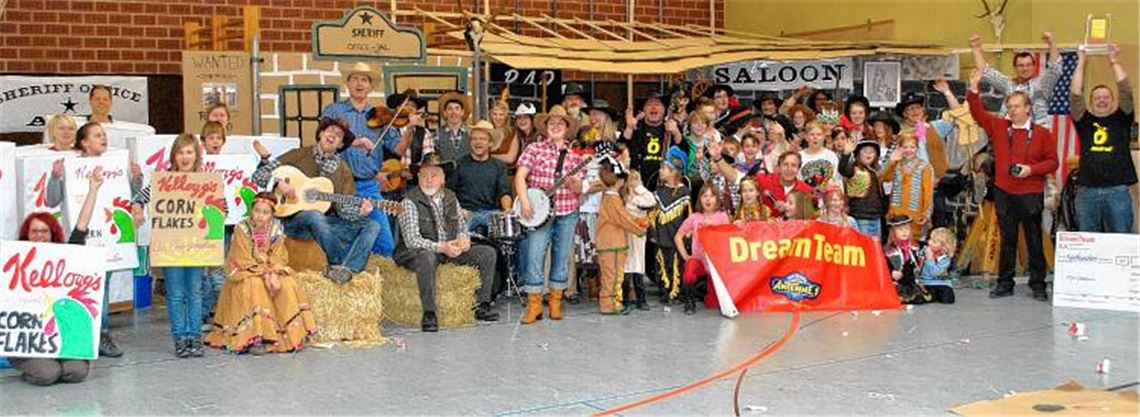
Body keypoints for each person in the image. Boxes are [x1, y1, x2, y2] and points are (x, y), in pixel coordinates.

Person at [43, 121, 140, 358]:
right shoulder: (69, 166)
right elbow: (51, 201)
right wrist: (55, 177)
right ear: (84, 142)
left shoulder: (116, 164)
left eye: (104, 134)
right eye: (97, 135)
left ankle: (101, 334)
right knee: (80, 286)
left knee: (103, 285)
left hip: (108, 238)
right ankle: (79, 333)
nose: (103, 139)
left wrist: (136, 179)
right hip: (80, 237)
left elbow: (131, 195)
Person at [251, 118, 381, 283]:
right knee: (314, 215)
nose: (333, 136)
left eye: (339, 135)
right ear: (320, 134)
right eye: (330, 131)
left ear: (341, 144)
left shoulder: (343, 170)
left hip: (325, 225)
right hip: (293, 222)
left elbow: (344, 211)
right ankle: (337, 263)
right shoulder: (297, 155)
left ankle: (348, 271)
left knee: (372, 225)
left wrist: (361, 212)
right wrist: (278, 182)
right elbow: (258, 176)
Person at [7, 167, 104, 386]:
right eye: (34, 231)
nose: (39, 236)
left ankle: (57, 360)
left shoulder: (66, 256)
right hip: (30, 342)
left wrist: (93, 191)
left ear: (53, 235)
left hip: (62, 336)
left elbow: (81, 227)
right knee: (47, 374)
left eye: (44, 231)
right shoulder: (14, 262)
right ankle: (35, 367)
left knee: (76, 372)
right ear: (26, 235)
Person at [968, 68, 1058, 302]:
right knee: (1006, 240)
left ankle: (1038, 284)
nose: (1012, 110)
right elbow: (977, 113)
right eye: (1010, 106)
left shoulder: (1042, 134)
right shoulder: (999, 127)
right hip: (1004, 192)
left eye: (1017, 106)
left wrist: (1031, 170)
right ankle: (1004, 283)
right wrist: (973, 88)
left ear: (1028, 108)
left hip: (1031, 192)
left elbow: (1053, 162)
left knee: (1034, 240)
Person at [395, 152, 500, 332]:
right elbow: (412, 240)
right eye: (424, 175)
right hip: (417, 253)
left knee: (487, 253)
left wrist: (463, 240)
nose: (429, 180)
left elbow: (460, 226)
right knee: (427, 258)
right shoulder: (409, 201)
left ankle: (482, 304)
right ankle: (429, 313)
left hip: (447, 249)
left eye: (434, 175)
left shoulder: (450, 197)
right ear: (418, 177)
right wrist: (442, 247)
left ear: (443, 179)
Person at [130, 134, 213, 358]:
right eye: (181, 152)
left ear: (196, 155)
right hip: (170, 247)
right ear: (174, 156)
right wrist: (137, 209)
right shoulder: (163, 181)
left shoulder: (206, 182)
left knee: (195, 292)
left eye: (189, 152)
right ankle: (180, 338)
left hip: (196, 246)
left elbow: (219, 208)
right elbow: (139, 198)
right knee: (176, 294)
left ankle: (195, 336)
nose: (185, 157)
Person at [205, 192, 317, 353]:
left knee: (288, 283)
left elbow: (279, 255)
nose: (260, 216)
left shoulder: (276, 230)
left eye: (265, 213)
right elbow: (241, 258)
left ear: (272, 215)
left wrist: (273, 272)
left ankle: (287, 334)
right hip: (246, 272)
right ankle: (257, 336)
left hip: (269, 268)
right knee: (255, 284)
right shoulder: (241, 228)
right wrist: (264, 273)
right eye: (257, 211)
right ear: (252, 211)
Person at [515, 105, 587, 324]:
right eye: (552, 123)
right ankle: (534, 305)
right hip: (538, 212)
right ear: (546, 127)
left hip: (567, 211)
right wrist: (525, 201)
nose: (555, 127)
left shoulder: (576, 156)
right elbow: (520, 176)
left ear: (566, 128)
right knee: (534, 256)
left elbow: (578, 189)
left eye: (560, 123)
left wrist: (575, 184)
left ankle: (556, 301)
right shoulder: (534, 149)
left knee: (562, 257)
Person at [1069, 44, 1137, 233]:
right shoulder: (1083, 121)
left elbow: (1125, 90)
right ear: (1091, 102)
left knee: (1120, 240)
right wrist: (1081, 61)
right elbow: (1075, 95)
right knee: (1088, 243)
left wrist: (1113, 61)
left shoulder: (1122, 118)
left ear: (1113, 100)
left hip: (1118, 191)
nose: (1102, 100)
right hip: (1087, 192)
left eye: (1106, 97)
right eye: (1097, 97)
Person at [970, 31, 1061, 126]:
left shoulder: (1042, 84)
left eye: (1028, 65)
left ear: (1034, 66)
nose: (1025, 68)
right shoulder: (1009, 84)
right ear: (1015, 68)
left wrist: (1052, 43)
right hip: (1009, 134)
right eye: (1021, 65)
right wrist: (976, 49)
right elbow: (986, 72)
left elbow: (1055, 68)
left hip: (1035, 136)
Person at [594, 159, 649, 315]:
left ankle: (613, 302)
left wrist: (637, 221)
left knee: (615, 275)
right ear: (619, 180)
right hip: (611, 245)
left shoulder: (612, 198)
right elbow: (622, 218)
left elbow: (624, 216)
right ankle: (607, 304)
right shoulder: (611, 198)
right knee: (610, 275)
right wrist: (639, 229)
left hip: (615, 244)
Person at [675, 184, 730, 315]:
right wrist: (686, 257)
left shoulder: (722, 216)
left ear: (717, 199)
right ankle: (689, 300)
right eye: (704, 196)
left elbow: (728, 237)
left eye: (712, 196)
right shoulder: (695, 217)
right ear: (699, 199)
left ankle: (705, 292)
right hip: (699, 260)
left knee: (712, 304)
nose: (708, 199)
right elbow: (678, 236)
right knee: (689, 270)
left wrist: (713, 228)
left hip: (716, 264)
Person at [448, 120, 511, 233]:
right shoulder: (459, 164)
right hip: (465, 213)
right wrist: (459, 211)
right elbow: (449, 193)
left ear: (490, 143)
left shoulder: (499, 166)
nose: (478, 142)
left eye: (482, 139)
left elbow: (504, 192)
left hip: (490, 213)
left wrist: (507, 210)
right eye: (474, 139)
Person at [651, 146, 691, 303]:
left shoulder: (684, 192)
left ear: (674, 172)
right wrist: (652, 234)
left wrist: (688, 234)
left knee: (677, 263)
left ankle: (677, 290)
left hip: (677, 235)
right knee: (662, 262)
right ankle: (664, 289)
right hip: (661, 234)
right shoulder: (658, 191)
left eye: (665, 168)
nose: (661, 171)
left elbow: (688, 215)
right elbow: (652, 216)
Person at [623, 92, 681, 188]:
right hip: (639, 183)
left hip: (666, 183)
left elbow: (683, 151)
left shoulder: (672, 127)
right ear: (644, 110)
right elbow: (622, 146)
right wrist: (629, 128)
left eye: (657, 105)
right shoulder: (637, 127)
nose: (653, 108)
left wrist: (676, 133)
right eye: (649, 105)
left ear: (664, 110)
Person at [883, 134, 934, 238]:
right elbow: (886, 178)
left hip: (915, 211)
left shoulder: (924, 166)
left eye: (912, 147)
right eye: (905, 147)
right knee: (895, 237)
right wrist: (891, 162)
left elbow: (928, 191)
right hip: (896, 210)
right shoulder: (896, 164)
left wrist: (926, 213)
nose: (909, 150)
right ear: (900, 148)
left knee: (912, 238)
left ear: (917, 148)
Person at [838, 138, 887, 240]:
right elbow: (843, 169)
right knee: (863, 246)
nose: (868, 154)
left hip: (876, 216)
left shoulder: (875, 172)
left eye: (872, 152)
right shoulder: (854, 169)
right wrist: (846, 154)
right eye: (865, 151)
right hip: (861, 216)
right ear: (858, 154)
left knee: (876, 247)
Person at [621, 170, 656, 311]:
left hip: (639, 235)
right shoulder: (625, 198)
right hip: (627, 234)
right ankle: (625, 298)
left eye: (638, 178)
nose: (635, 181)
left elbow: (651, 201)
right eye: (633, 178)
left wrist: (640, 189)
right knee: (627, 264)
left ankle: (641, 299)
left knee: (639, 264)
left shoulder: (643, 195)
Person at [895, 92, 949, 180]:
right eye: (910, 109)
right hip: (908, 182)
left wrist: (947, 92)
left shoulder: (934, 128)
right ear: (904, 114)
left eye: (918, 108)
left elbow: (957, 116)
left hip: (931, 181)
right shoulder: (899, 134)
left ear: (923, 110)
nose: (915, 111)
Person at [753, 151, 811, 218]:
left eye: (794, 165)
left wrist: (788, 207)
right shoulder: (763, 181)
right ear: (779, 167)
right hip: (765, 226)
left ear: (798, 169)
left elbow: (808, 216)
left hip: (793, 227)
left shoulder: (806, 190)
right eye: (785, 164)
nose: (789, 169)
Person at [884, 215, 926, 304]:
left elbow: (918, 265)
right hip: (896, 280)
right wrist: (891, 273)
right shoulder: (888, 250)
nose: (904, 232)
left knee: (919, 297)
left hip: (910, 280)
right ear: (893, 232)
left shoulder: (916, 247)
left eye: (907, 229)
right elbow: (884, 267)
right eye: (900, 229)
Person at [799, 120, 842, 191]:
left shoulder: (831, 155)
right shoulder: (800, 156)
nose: (815, 137)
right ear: (806, 137)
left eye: (819, 134)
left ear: (824, 136)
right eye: (812, 134)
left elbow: (837, 180)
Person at [919, 227, 957, 304]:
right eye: (930, 239)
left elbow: (935, 272)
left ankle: (935, 295)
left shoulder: (945, 259)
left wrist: (929, 259)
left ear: (944, 246)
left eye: (934, 242)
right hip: (925, 282)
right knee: (923, 296)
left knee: (948, 299)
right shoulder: (924, 251)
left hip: (940, 282)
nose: (930, 242)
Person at [434, 90, 473, 164]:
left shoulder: (471, 133)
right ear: (445, 112)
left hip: (468, 173)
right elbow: (434, 158)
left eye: (457, 108)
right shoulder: (437, 134)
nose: (453, 112)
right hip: (446, 173)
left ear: (462, 112)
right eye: (450, 109)